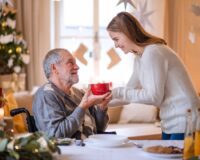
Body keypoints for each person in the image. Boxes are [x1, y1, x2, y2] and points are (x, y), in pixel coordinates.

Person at [107, 11, 200, 140]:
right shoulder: (140, 58)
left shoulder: (153, 52)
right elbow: (129, 94)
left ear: (127, 32)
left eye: (116, 39)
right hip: (170, 121)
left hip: (186, 119)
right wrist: (103, 101)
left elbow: (154, 97)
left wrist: (117, 92)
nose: (116, 45)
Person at [32, 48, 111, 139]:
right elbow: (55, 135)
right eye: (70, 63)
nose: (77, 67)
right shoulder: (46, 95)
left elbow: (99, 129)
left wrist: (101, 107)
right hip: (70, 151)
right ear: (54, 68)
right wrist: (82, 107)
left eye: (75, 63)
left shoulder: (79, 93)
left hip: (91, 148)